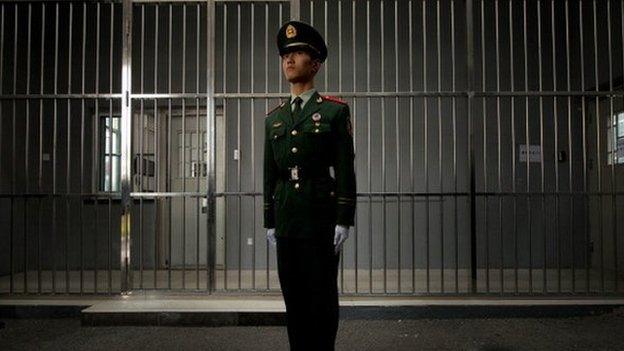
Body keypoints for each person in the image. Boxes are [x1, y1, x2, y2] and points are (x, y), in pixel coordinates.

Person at [263, 20, 357, 351]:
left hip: (320, 218)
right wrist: (270, 220)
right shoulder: (274, 118)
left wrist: (344, 217)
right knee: (294, 299)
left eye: (298, 52)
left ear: (314, 64)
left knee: (321, 299)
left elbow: (346, 168)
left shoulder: (333, 111)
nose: (289, 60)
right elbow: (270, 174)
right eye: (285, 54)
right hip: (288, 218)